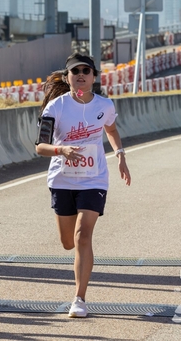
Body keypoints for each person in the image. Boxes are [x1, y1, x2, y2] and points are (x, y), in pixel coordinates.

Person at [34, 53, 131, 319]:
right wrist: (61, 149)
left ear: (94, 76)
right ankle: (79, 277)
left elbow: (111, 130)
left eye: (86, 71)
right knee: (68, 242)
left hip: (94, 178)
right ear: (67, 77)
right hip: (62, 179)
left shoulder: (105, 105)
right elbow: (40, 146)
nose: (80, 75)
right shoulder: (55, 107)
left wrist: (120, 155)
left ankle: (79, 298)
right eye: (75, 71)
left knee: (82, 236)